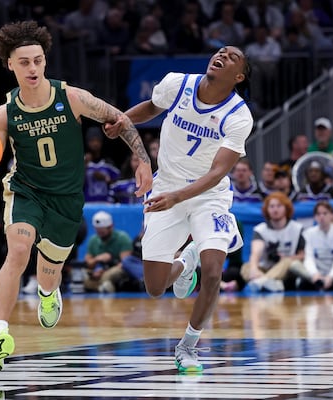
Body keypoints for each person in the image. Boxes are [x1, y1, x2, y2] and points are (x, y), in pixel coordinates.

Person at [0, 21, 152, 371]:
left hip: (65, 199)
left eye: (38, 60)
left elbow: (119, 118)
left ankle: (48, 293)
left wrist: (141, 159)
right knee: (17, 251)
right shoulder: (4, 113)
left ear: (45, 61)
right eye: (24, 62)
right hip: (26, 191)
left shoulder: (72, 98)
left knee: (49, 273)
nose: (32, 68)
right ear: (10, 65)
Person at [105, 45, 253, 372]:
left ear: (237, 77)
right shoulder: (177, 84)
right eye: (221, 51)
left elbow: (217, 173)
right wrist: (124, 120)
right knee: (156, 288)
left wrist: (179, 197)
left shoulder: (239, 116)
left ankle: (188, 345)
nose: (222, 55)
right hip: (166, 186)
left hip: (208, 195)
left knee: (214, 272)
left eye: (232, 58)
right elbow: (151, 107)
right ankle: (185, 265)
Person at [241, 191, 305, 292]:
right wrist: (254, 269)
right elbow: (255, 253)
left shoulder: (296, 228)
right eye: (272, 206)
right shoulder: (260, 229)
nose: (275, 209)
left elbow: (302, 255)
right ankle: (269, 283)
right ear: (267, 210)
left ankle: (261, 282)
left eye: (279, 206)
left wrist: (288, 258)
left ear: (286, 208)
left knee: (288, 262)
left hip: (285, 270)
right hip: (265, 268)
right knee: (246, 267)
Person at [289, 200, 333, 290]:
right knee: (294, 265)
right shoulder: (308, 233)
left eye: (325, 213)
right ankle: (316, 281)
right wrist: (315, 274)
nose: (322, 217)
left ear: (332, 215)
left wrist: (331, 277)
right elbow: (309, 258)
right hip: (317, 273)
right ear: (315, 217)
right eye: (318, 214)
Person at [83, 210, 133, 293]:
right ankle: (103, 287)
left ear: (111, 227)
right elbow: (88, 263)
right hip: (99, 270)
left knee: (108, 275)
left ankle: (101, 286)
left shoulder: (122, 238)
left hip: (116, 268)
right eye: (97, 230)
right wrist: (97, 260)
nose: (99, 233)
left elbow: (125, 263)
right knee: (85, 278)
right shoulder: (93, 240)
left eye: (102, 230)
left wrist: (106, 271)